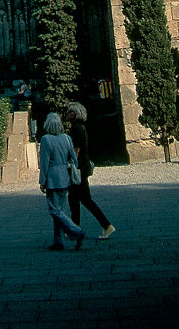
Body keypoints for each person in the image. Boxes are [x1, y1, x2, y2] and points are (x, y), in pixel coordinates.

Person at [66, 101, 115, 240]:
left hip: (78, 168)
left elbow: (76, 150)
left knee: (80, 200)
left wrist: (71, 165)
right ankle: (77, 229)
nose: (68, 114)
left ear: (76, 113)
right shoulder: (81, 127)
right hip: (83, 166)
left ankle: (104, 225)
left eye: (71, 112)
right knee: (77, 199)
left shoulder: (76, 129)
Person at [39, 111, 85, 251]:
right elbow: (74, 159)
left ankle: (76, 231)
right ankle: (58, 240)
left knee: (54, 211)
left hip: (52, 177)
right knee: (60, 209)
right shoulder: (66, 138)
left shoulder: (46, 139)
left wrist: (42, 180)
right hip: (65, 177)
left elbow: (45, 162)